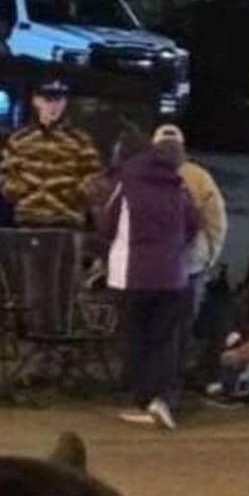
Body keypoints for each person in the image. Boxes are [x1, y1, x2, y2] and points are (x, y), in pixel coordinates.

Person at [95, 127, 200, 430]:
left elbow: (106, 225)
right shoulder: (179, 187)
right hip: (173, 275)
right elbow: (193, 225)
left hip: (132, 275)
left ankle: (145, 399)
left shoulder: (126, 182)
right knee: (165, 341)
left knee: (135, 340)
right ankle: (162, 400)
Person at [0, 76, 102, 228]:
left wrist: (71, 194)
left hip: (67, 219)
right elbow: (5, 175)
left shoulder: (80, 140)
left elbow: (93, 177)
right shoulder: (20, 139)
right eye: (48, 100)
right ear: (36, 101)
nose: (54, 106)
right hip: (28, 218)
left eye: (59, 100)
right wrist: (21, 191)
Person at [151, 124, 227, 318]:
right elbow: (216, 221)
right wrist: (211, 256)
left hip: (147, 265)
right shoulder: (200, 177)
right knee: (182, 324)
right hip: (190, 263)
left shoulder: (138, 173)